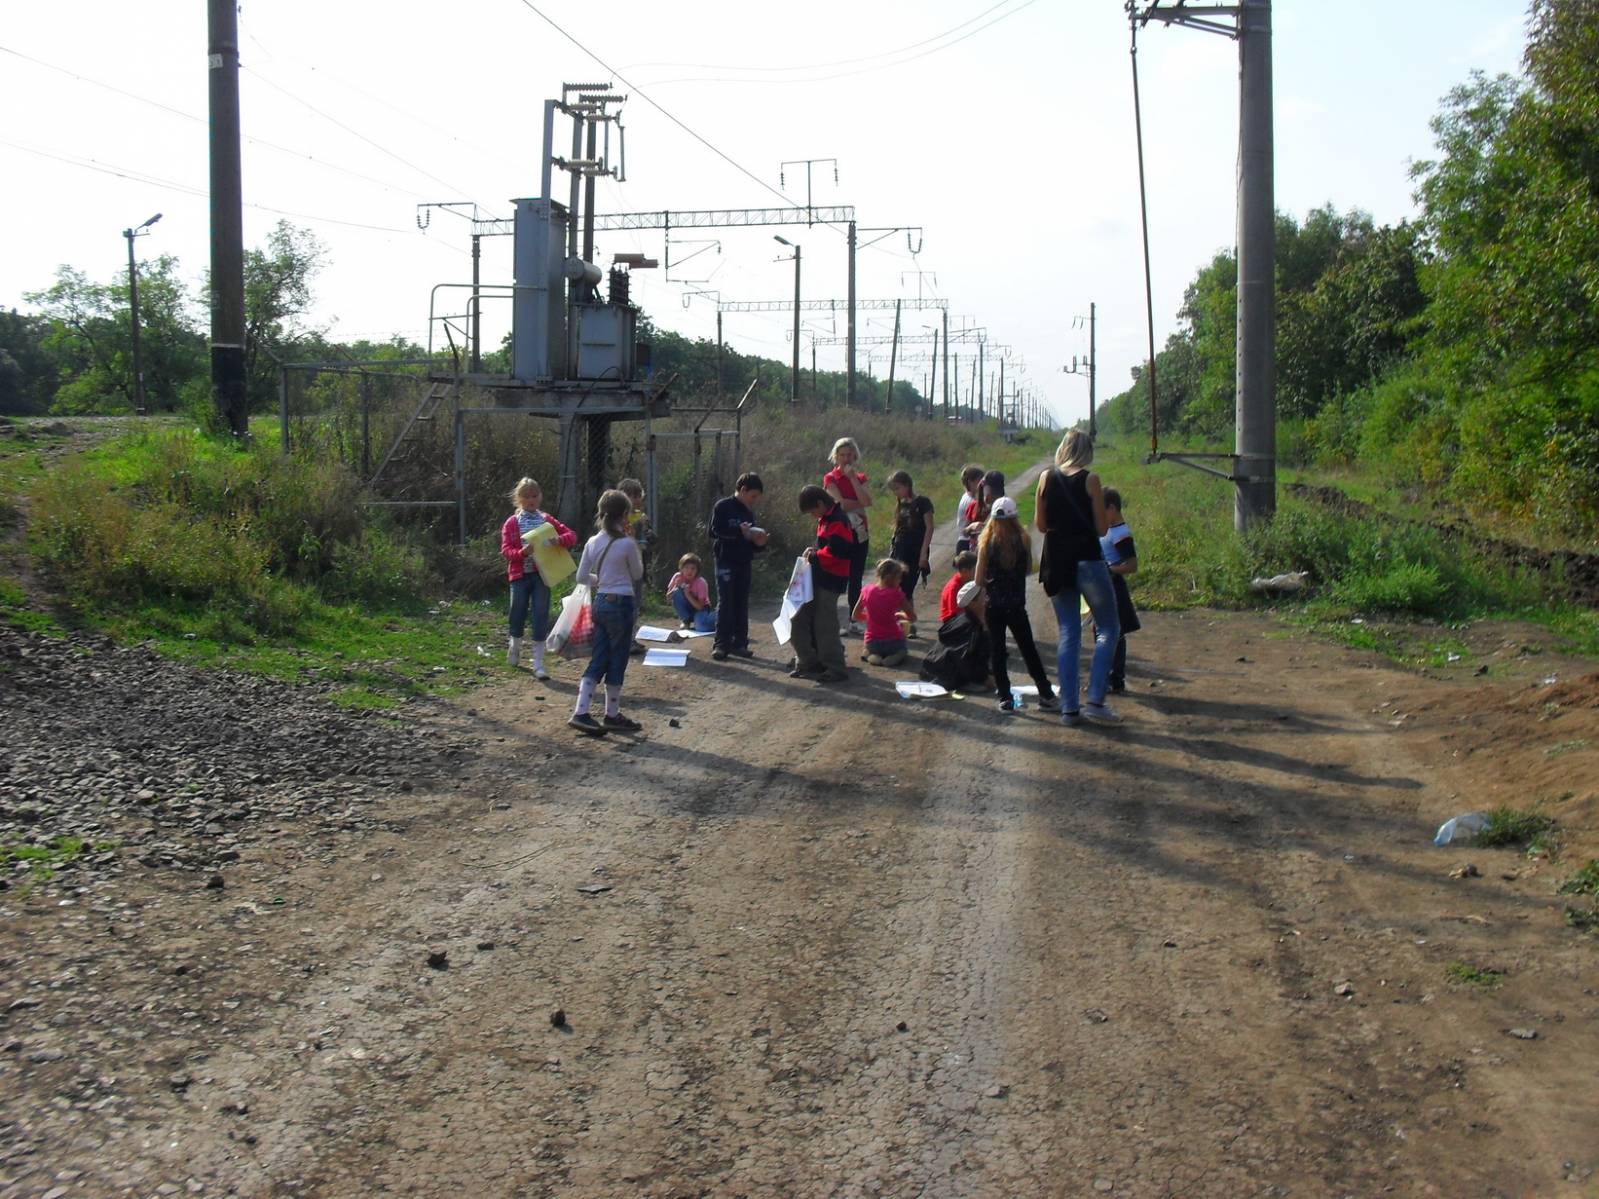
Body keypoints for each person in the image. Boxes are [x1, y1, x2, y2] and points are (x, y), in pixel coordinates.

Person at [1035, 429, 1121, 725]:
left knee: (1069, 632)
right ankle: (1095, 699)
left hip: (1056, 562)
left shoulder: (1045, 477)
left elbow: (1041, 525)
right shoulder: (1091, 479)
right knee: (1109, 627)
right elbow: (1102, 528)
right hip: (1087, 560)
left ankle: (1070, 709)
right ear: (1086, 451)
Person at [568, 490, 645, 736]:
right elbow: (637, 574)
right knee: (618, 657)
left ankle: (581, 711)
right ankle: (612, 714)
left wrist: (602, 581)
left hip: (600, 602)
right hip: (621, 603)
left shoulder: (592, 542)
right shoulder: (626, 543)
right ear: (624, 515)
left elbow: (581, 577)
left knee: (599, 656)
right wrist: (634, 544)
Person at [975, 496, 1059, 713]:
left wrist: (992, 581)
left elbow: (978, 579)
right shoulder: (1023, 540)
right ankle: (1045, 692)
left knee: (998, 650)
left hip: (993, 605)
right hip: (1016, 604)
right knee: (1028, 649)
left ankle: (1005, 697)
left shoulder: (986, 543)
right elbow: (1029, 569)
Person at [500, 476, 575, 681]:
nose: (531, 500)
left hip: (542, 575)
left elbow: (571, 536)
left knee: (541, 614)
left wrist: (558, 540)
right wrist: (521, 553)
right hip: (519, 575)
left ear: (540, 497)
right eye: (526, 496)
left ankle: (538, 663)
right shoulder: (512, 522)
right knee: (517, 610)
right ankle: (514, 646)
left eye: (534, 496)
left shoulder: (546, 519)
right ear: (518, 499)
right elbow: (506, 550)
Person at [792, 484, 851, 682]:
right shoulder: (826, 518)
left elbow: (838, 551)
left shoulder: (838, 520)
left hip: (831, 579)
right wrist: (814, 551)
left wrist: (815, 555)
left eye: (812, 511)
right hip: (817, 576)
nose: (812, 516)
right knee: (800, 618)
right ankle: (809, 662)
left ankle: (835, 668)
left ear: (820, 503)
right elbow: (825, 546)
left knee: (825, 624)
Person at [709, 472, 767, 662]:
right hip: (725, 560)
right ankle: (721, 644)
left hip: (744, 561)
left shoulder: (748, 512)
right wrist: (737, 531)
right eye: (753, 496)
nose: (754, 500)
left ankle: (740, 643)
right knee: (726, 601)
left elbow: (749, 539)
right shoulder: (723, 506)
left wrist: (759, 543)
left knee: (741, 602)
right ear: (743, 490)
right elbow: (714, 531)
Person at [822, 438, 873, 635]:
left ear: (854, 456)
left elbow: (867, 501)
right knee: (836, 575)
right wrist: (857, 502)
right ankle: (832, 622)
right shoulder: (830, 478)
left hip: (859, 532)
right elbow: (839, 505)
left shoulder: (860, 478)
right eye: (842, 455)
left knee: (856, 577)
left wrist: (853, 480)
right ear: (836, 456)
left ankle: (854, 619)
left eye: (849, 455)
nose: (845, 459)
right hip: (839, 533)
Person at [1099, 488, 1142, 693]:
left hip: (1114, 586)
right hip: (1104, 586)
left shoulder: (1121, 534)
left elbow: (1132, 565)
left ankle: (1115, 678)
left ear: (1112, 509)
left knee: (1114, 634)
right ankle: (1106, 676)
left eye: (1101, 510)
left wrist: (1109, 569)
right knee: (1104, 632)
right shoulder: (1108, 530)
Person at [885, 470, 934, 626]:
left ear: (907, 485)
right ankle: (902, 623)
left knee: (907, 588)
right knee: (896, 586)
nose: (896, 492)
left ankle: (907, 622)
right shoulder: (902, 504)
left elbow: (929, 528)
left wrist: (923, 554)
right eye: (894, 489)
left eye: (897, 488)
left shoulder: (923, 502)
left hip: (915, 551)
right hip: (900, 551)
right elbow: (898, 529)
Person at [853, 559, 915, 667]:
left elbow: (855, 615)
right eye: (899, 578)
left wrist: (872, 617)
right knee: (902, 650)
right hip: (893, 642)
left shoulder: (866, 590)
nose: (900, 581)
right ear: (892, 578)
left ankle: (871, 655)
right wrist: (900, 615)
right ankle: (893, 657)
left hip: (872, 641)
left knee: (869, 648)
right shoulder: (897, 594)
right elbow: (912, 618)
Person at [617, 478, 652, 655]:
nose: (635, 499)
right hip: (623, 567)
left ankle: (630, 638)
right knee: (624, 603)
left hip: (638, 564)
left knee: (635, 602)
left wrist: (648, 531)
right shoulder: (617, 519)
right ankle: (622, 639)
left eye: (638, 495)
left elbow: (648, 539)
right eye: (631, 495)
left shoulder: (641, 517)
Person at [667, 552, 717, 633]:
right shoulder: (677, 576)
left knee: (702, 628)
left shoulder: (701, 582)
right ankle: (686, 621)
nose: (689, 571)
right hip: (688, 607)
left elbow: (700, 607)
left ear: (697, 571)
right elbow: (668, 597)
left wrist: (687, 594)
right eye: (686, 567)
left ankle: (719, 616)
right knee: (677, 593)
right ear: (681, 568)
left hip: (701, 608)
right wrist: (676, 586)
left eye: (693, 568)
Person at [939, 550, 983, 623]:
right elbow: (956, 614)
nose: (978, 573)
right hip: (953, 624)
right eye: (975, 570)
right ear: (964, 571)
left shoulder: (968, 582)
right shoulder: (953, 587)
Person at [954, 465, 985, 555]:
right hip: (967, 543)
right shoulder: (970, 501)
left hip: (966, 541)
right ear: (970, 482)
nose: (982, 484)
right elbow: (969, 528)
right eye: (979, 481)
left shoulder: (968, 497)